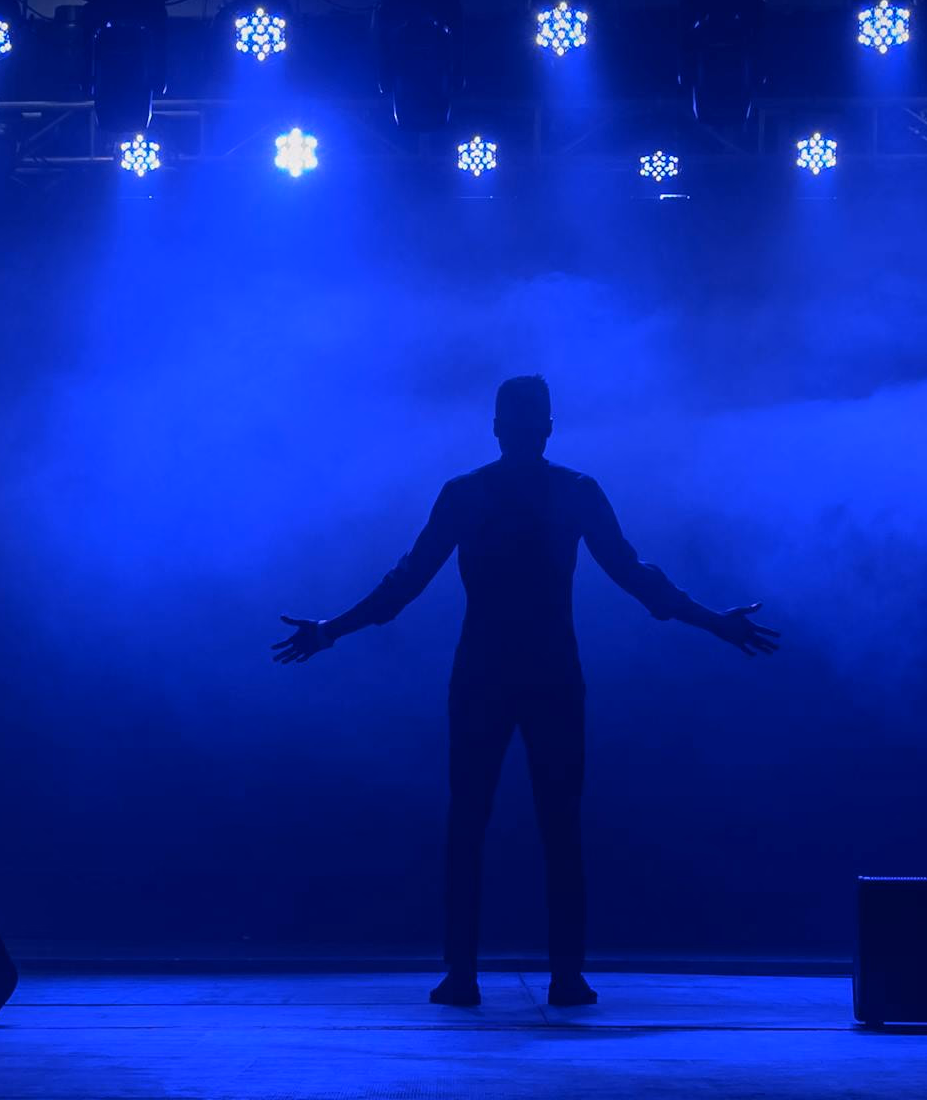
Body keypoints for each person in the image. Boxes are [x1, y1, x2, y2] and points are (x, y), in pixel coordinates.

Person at [272, 374, 779, 1008]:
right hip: (550, 674)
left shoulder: (469, 495)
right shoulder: (572, 491)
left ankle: (464, 975)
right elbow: (635, 576)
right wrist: (715, 623)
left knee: (470, 825)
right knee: (558, 827)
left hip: (485, 672)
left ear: (498, 427)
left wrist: (332, 630)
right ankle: (564, 976)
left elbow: (405, 583)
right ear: (546, 427)